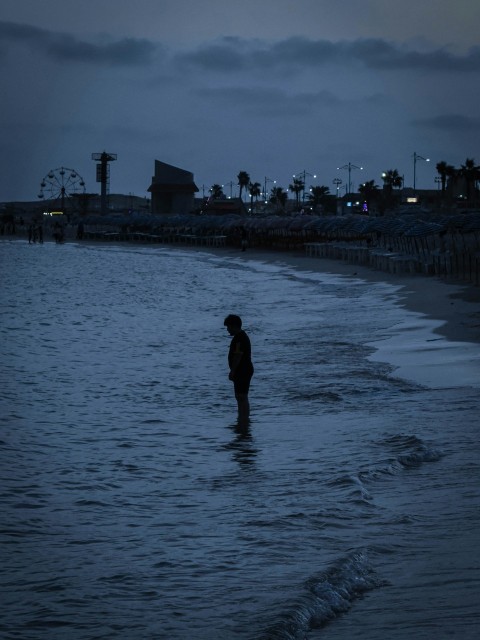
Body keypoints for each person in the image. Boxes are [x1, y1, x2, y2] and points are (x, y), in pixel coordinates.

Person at [224, 314, 254, 423]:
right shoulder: (240, 337)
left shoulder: (239, 338)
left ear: (234, 326)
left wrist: (233, 371)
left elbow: (238, 355)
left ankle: (244, 418)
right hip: (242, 370)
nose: (227, 330)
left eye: (228, 327)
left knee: (242, 396)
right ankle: (242, 418)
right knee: (240, 396)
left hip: (243, 370)